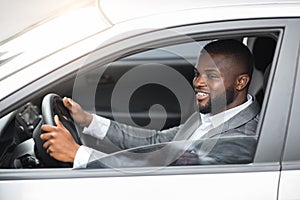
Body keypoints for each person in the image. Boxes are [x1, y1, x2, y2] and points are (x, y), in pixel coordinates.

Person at [40, 39, 260, 168]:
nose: (198, 83)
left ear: (241, 82)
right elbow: (156, 141)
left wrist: (78, 154)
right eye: (197, 74)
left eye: (211, 76)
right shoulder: (214, 115)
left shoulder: (243, 139)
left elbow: (161, 173)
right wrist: (88, 120)